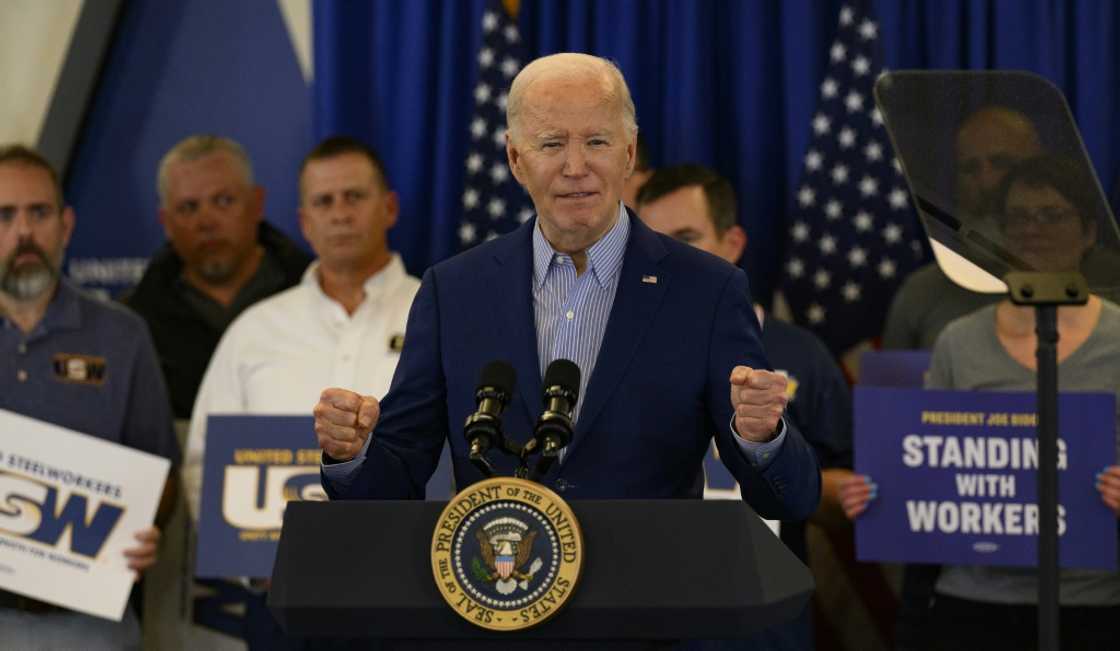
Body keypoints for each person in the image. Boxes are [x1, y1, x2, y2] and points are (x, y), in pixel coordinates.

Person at [315, 53, 820, 521]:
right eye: (552, 144)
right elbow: (393, 479)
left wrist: (762, 437)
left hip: (649, 605)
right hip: (497, 596)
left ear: (629, 152)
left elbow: (788, 499)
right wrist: (352, 453)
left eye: (597, 142)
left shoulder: (707, 291)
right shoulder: (453, 292)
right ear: (516, 159)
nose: (576, 167)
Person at [843, 155, 1120, 650]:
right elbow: (926, 464)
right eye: (1018, 217)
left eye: (1051, 215)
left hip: (1095, 600)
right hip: (970, 600)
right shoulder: (959, 340)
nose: (1032, 230)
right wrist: (882, 493)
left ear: (1088, 232)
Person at [183, 136, 418, 649]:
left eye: (354, 197)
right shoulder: (255, 330)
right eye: (324, 202)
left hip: (411, 603)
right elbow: (203, 462)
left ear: (390, 207)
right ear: (304, 221)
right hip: (283, 604)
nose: (340, 214)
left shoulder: (438, 314)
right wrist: (247, 560)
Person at [637, 164, 854, 650]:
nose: (668, 257)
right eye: (651, 243)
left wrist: (826, 488)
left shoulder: (801, 355)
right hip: (646, 615)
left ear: (732, 243)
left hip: (764, 625)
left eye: (686, 236)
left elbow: (855, 501)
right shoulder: (610, 353)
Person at [0, 144, 181, 648]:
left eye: (39, 212)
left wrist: (148, 530)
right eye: (4, 215)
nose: (23, 232)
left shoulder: (122, 335)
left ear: (67, 224)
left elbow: (160, 469)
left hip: (88, 623)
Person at [125, 135, 312, 420]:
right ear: (166, 222)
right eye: (188, 208)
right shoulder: (134, 322)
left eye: (223, 201)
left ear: (257, 204)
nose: (207, 221)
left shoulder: (317, 295)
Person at [881, 106, 1043, 351]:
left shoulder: (1099, 280)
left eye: (1001, 163)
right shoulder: (922, 293)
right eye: (970, 168)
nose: (987, 183)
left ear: (1039, 167)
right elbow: (893, 387)